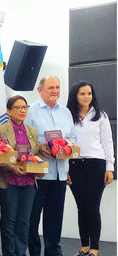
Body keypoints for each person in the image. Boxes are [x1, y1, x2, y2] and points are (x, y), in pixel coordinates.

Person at [25, 77, 75, 256]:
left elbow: (73, 138)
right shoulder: (30, 111)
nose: (55, 91)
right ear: (40, 90)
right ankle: (34, 252)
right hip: (39, 174)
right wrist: (39, 147)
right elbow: (25, 139)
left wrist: (67, 145)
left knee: (55, 218)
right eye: (51, 87)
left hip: (60, 173)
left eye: (57, 87)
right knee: (32, 218)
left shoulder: (66, 112)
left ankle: (54, 252)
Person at [66, 82, 114, 256]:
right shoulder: (67, 116)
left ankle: (94, 248)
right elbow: (63, 144)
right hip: (75, 165)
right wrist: (65, 170)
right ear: (75, 96)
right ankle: (84, 246)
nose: (87, 97)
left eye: (89, 93)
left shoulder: (101, 116)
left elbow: (107, 143)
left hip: (96, 165)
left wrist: (110, 167)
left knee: (92, 207)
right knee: (81, 207)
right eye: (82, 94)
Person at [0, 96, 43, 256]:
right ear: (9, 111)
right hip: (9, 182)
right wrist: (12, 166)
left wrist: (39, 168)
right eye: (18, 107)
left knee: (24, 221)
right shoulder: (1, 130)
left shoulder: (32, 131)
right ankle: (9, 253)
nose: (23, 110)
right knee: (10, 221)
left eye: (25, 107)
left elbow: (34, 155)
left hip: (29, 183)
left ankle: (21, 253)